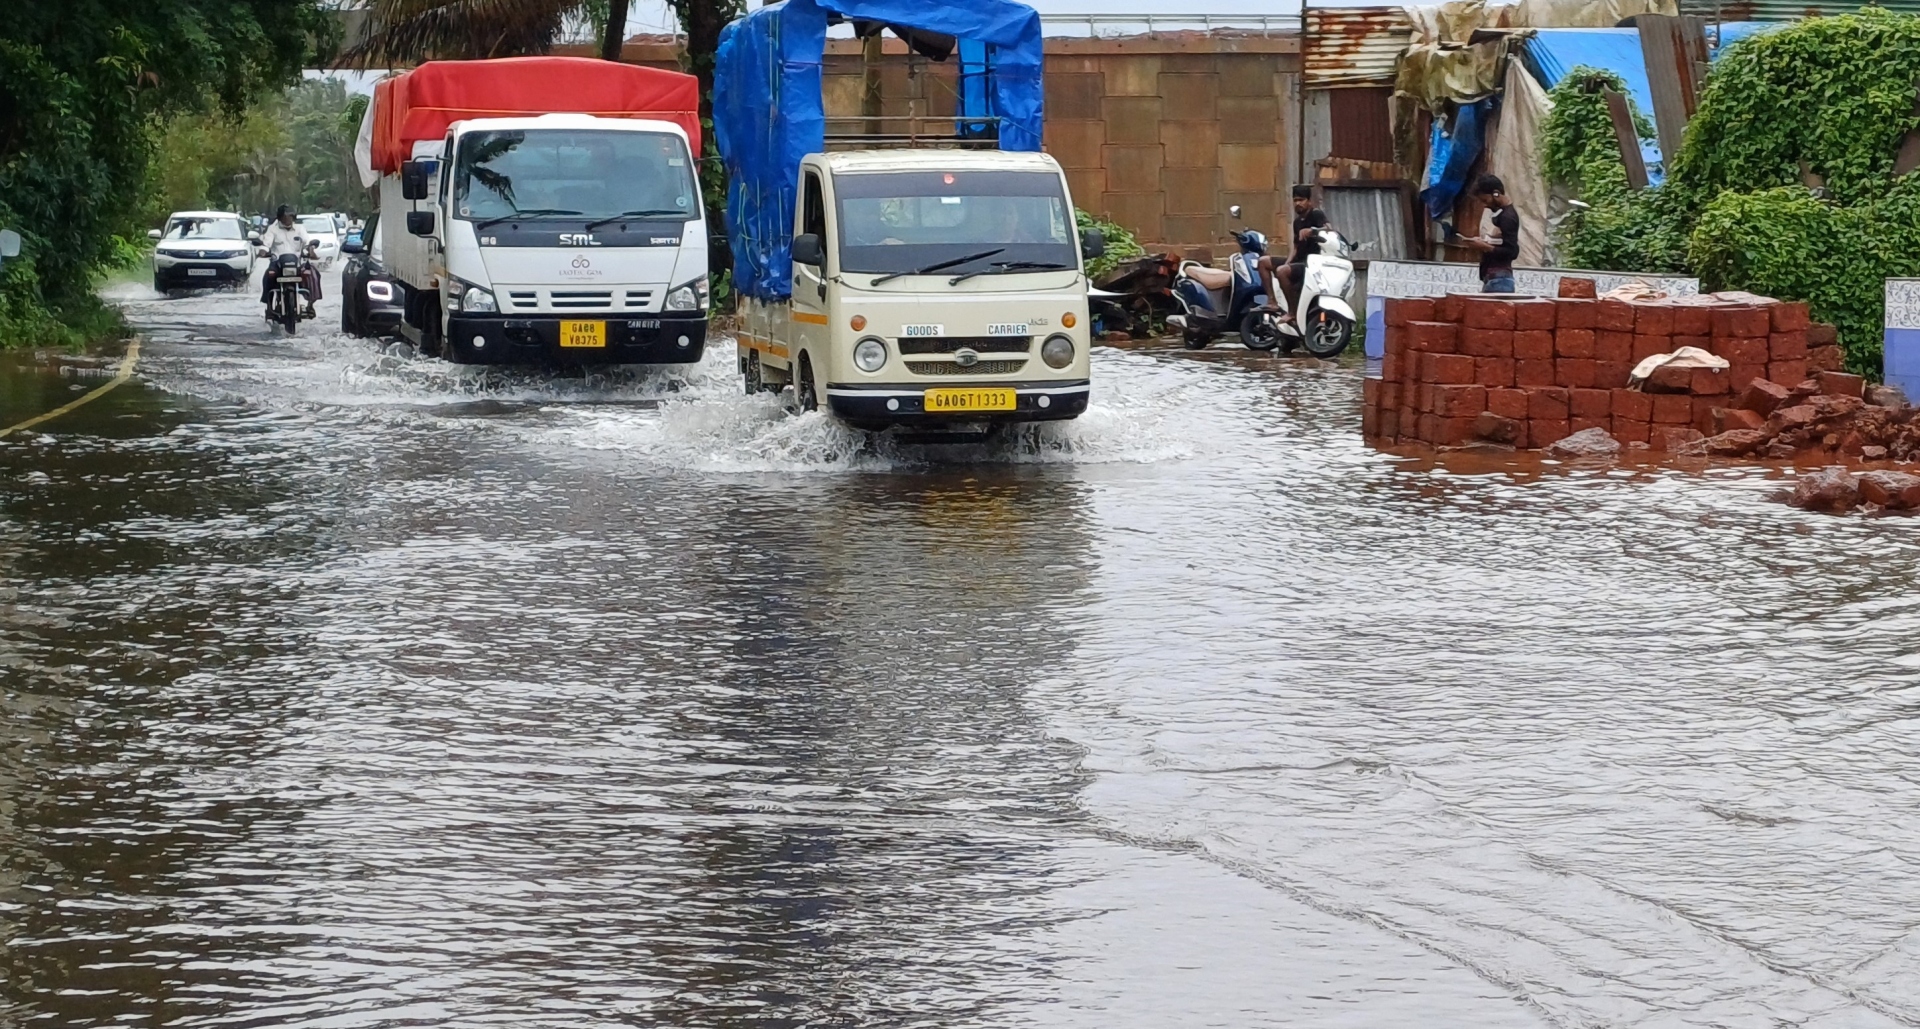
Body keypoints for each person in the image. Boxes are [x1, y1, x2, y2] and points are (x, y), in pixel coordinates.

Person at [1259, 185, 1329, 314]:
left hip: (1311, 264)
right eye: (1295, 200)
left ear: (1309, 201)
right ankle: (1272, 301)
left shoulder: (1316, 214)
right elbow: (1295, 247)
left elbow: (1330, 230)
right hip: (1298, 261)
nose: (1298, 203)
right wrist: (1288, 262)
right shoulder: (1297, 222)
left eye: (1301, 200)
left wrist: (1312, 230)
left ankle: (1292, 312)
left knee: (1282, 271)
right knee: (1263, 262)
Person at [257, 205, 321, 316]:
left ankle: (310, 305)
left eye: (290, 216)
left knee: (313, 275)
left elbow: (307, 242)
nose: (288, 219)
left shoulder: (300, 229)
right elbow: (266, 244)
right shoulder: (273, 229)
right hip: (277, 263)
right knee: (268, 276)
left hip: (297, 263)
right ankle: (268, 305)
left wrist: (311, 250)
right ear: (280, 217)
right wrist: (262, 251)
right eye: (286, 216)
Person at [1464, 174, 1520, 293]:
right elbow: (1501, 243)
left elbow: (1512, 251)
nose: (1485, 205)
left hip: (1500, 280)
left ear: (1496, 193)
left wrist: (1485, 247)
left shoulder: (1507, 217)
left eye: (1485, 200)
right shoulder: (1501, 214)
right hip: (1494, 278)